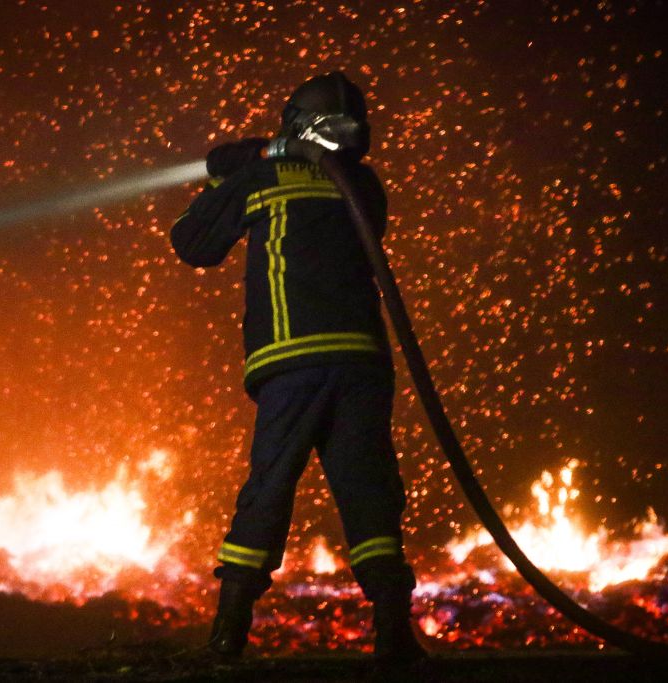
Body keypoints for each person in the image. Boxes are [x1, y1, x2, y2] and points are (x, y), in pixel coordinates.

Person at [170, 72, 427, 669]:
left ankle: (228, 634)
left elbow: (192, 243)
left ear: (295, 126)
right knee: (369, 493)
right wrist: (257, 157)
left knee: (269, 487)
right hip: (362, 361)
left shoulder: (262, 178)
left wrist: (231, 173)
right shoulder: (364, 185)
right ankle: (394, 635)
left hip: (292, 359)